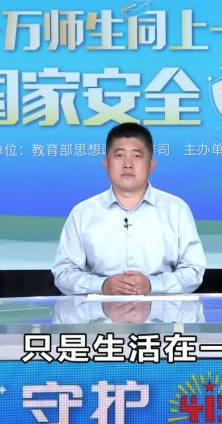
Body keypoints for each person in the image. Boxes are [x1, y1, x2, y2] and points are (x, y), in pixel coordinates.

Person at [52, 122, 206, 295]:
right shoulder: (82, 213)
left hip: (163, 311)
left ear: (151, 164)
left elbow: (193, 270)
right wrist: (103, 285)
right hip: (98, 311)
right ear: (106, 163)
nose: (128, 164)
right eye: (119, 155)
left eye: (137, 156)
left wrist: (152, 284)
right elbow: (63, 273)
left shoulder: (176, 210)